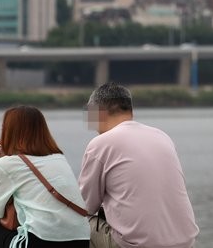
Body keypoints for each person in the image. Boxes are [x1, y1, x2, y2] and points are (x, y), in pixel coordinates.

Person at [78, 82, 198, 248]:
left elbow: (84, 207)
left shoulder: (100, 144)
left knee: (78, 223)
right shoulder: (162, 136)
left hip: (137, 245)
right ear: (131, 111)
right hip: (185, 242)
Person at [0, 105, 90, 248]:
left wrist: (4, 159)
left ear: (9, 132)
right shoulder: (59, 158)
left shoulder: (6, 164)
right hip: (81, 241)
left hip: (39, 242)